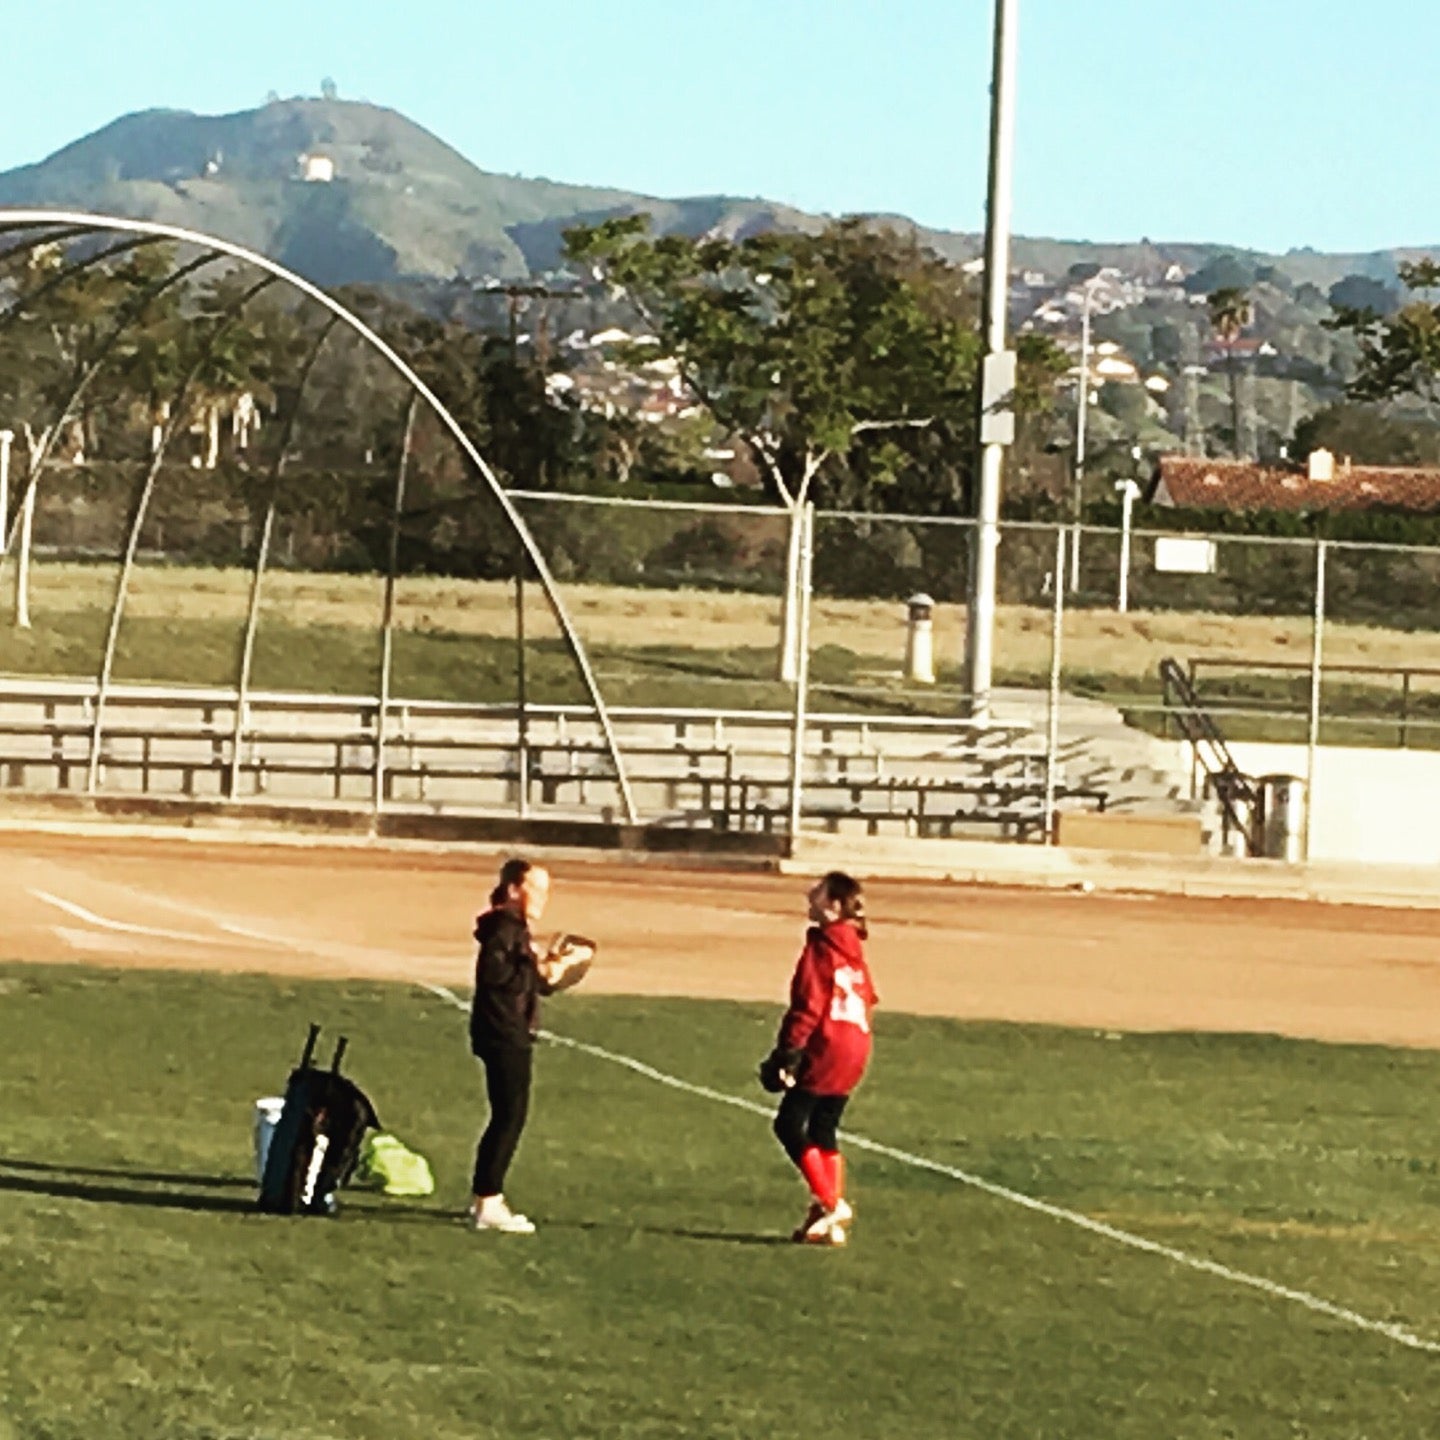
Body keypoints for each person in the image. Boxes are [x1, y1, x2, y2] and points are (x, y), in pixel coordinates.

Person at [758, 871, 877, 1247]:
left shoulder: (822, 947)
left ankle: (830, 1202)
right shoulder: (853, 949)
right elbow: (869, 998)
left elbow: (808, 1005)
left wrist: (787, 1053)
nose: (810, 895)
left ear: (834, 905)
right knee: (824, 1127)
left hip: (827, 1043)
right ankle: (824, 1220)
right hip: (857, 1044)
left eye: (819, 892)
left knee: (789, 1124)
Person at [468, 856, 555, 1234]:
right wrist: (530, 963)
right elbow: (494, 973)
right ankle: (488, 1199)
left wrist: (545, 970)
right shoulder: (506, 927)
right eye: (536, 889)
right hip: (504, 1032)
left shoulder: (510, 927)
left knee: (507, 1115)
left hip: (504, 1030)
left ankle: (486, 1198)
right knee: (509, 1116)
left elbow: (528, 981)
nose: (542, 898)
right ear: (514, 889)